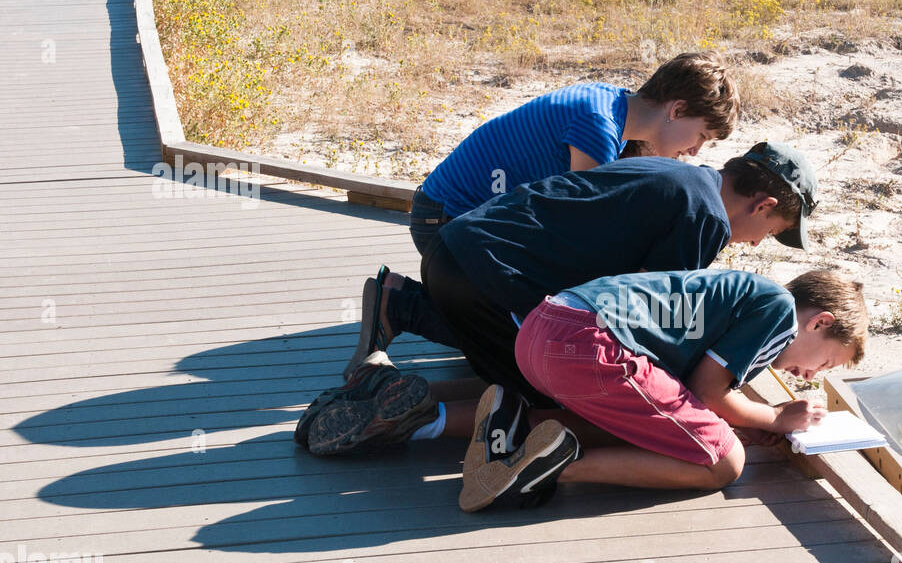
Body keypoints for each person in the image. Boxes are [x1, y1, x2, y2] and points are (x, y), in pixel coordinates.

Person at [299, 142, 821, 459]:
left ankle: (383, 376)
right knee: (564, 393)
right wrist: (727, 412)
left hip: (458, 250)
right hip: (491, 275)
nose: (755, 243)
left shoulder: (680, 175)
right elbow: (648, 322)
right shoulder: (703, 220)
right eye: (770, 231)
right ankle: (411, 420)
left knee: (525, 363)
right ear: (763, 203)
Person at [344, 52, 739, 378]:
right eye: (701, 135)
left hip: (446, 213)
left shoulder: (609, 101)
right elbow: (585, 232)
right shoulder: (598, 130)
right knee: (536, 337)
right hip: (446, 221)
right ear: (678, 108)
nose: (696, 152)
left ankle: (411, 300)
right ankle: (399, 304)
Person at [457, 268, 869, 512]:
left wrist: (727, 420)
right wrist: (776, 417)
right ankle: (542, 472)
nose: (812, 376)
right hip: (590, 346)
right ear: (820, 322)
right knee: (724, 462)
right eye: (827, 362)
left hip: (543, 328)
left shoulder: (745, 290)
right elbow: (708, 392)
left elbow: (680, 398)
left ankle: (516, 424)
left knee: (658, 428)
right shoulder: (779, 312)